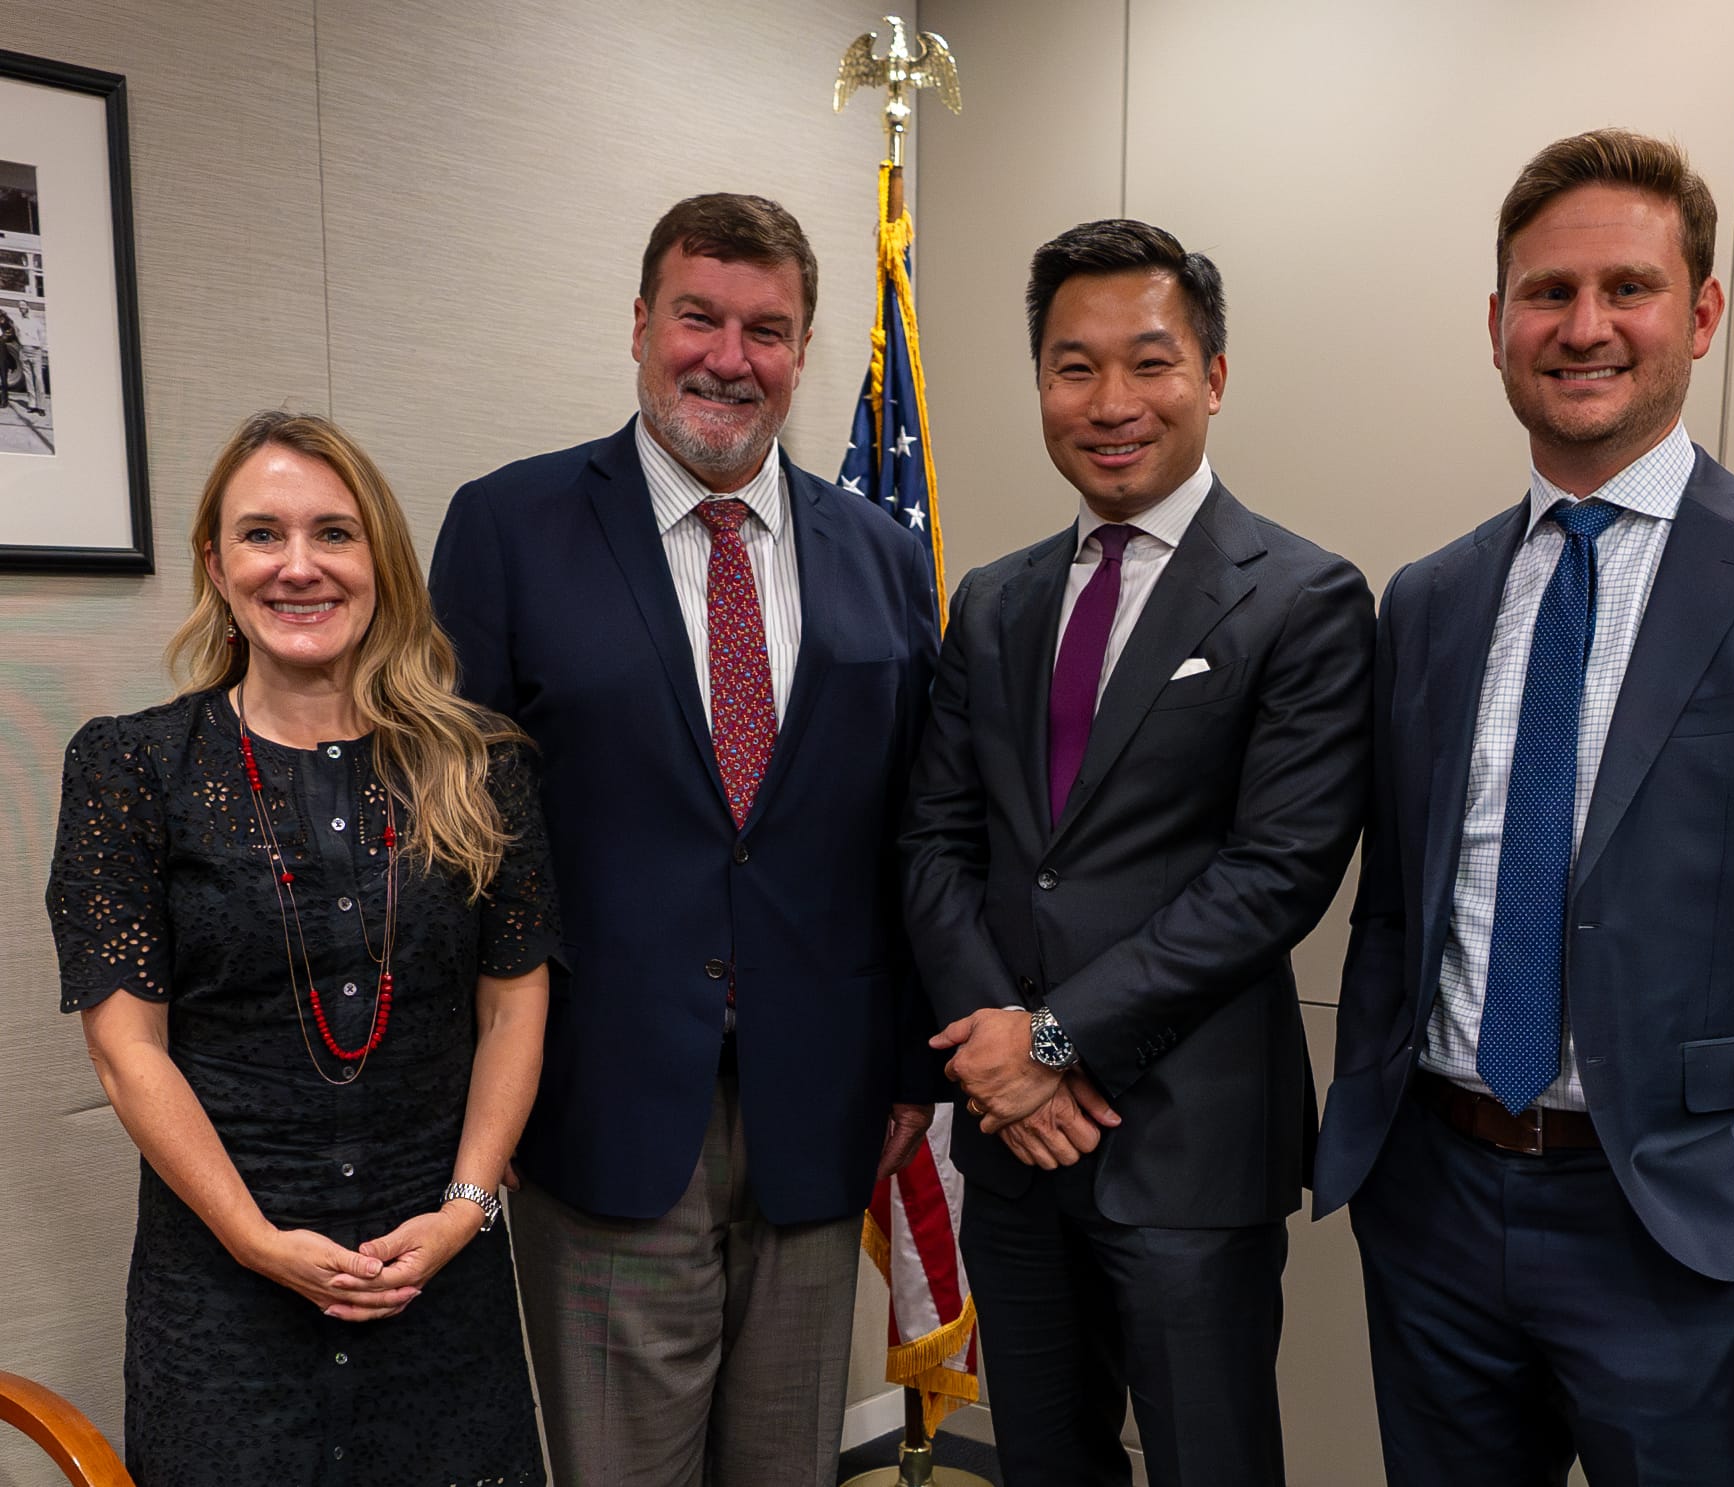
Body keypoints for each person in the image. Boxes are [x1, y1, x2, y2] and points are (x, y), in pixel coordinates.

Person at [1312, 129, 1734, 1486]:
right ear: (1495, 325)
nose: (1582, 326)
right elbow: (1396, 902)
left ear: (1700, 313)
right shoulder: (1426, 597)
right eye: (1545, 293)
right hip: (1430, 1202)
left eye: (1627, 288)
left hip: (1677, 1227)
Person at [429, 192, 942, 1486]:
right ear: (640, 324)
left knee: (785, 1466)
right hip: (600, 1102)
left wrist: (909, 1060)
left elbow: (914, 827)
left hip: (821, 1112)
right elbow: (457, 831)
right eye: (697, 317)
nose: (727, 355)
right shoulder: (509, 528)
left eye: (765, 328)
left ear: (805, 345)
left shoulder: (879, 555)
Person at [899, 219, 1374, 1487]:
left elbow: (1276, 872)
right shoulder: (993, 599)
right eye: (1073, 366)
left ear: (1212, 376)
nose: (1111, 403)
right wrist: (1000, 1048)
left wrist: (1053, 1039)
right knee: (1044, 1465)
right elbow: (938, 839)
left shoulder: (1305, 597)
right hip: (1011, 1148)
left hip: (1187, 1150)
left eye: (1149, 362)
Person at [46, 410, 557, 1486]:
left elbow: (513, 1006)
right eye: (261, 535)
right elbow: (125, 1053)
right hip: (224, 1303)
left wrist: (466, 1209)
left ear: (381, 562)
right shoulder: (132, 768)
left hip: (439, 1281)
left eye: (333, 532)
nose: (298, 566)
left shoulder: (481, 767)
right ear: (216, 566)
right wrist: (251, 1237)